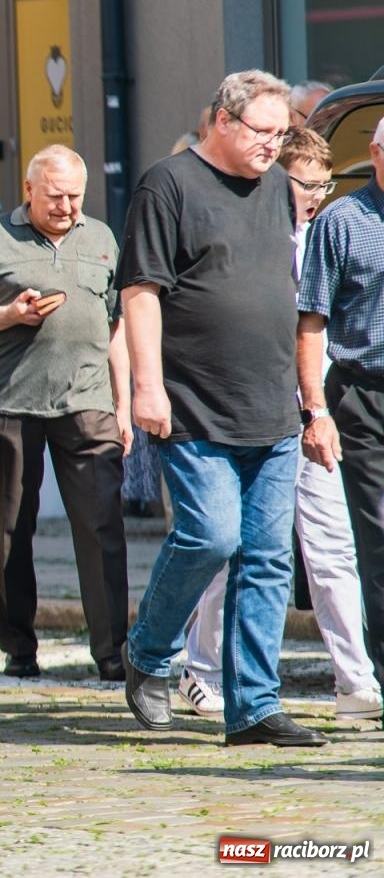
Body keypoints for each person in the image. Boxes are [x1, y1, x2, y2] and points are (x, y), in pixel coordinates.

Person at [119, 70, 324, 748]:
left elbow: (285, 295)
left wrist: (308, 398)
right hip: (195, 404)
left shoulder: (275, 191)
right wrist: (146, 385)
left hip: (271, 406)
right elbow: (142, 291)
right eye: (264, 132)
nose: (275, 146)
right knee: (211, 536)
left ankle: (254, 706)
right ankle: (149, 653)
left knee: (267, 558)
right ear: (223, 121)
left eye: (282, 133)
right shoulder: (167, 184)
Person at [180, 126, 381, 721]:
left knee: (332, 548)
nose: (316, 195)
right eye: (304, 184)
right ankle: (201, 666)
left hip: (315, 411)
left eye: (323, 184)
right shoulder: (248, 237)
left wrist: (319, 407)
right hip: (247, 412)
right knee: (233, 547)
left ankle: (356, 680)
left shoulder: (325, 235)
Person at [0, 144, 130, 681]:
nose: (65, 206)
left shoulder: (102, 237)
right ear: (29, 191)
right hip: (13, 400)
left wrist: (123, 404)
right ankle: (19, 648)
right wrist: (9, 314)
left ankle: (112, 651)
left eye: (74, 196)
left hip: (88, 400)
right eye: (54, 195)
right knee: (13, 528)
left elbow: (116, 328)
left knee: (102, 524)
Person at [298, 115, 384, 728]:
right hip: (364, 395)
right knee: (377, 542)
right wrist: (317, 411)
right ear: (376, 154)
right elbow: (312, 323)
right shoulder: (342, 222)